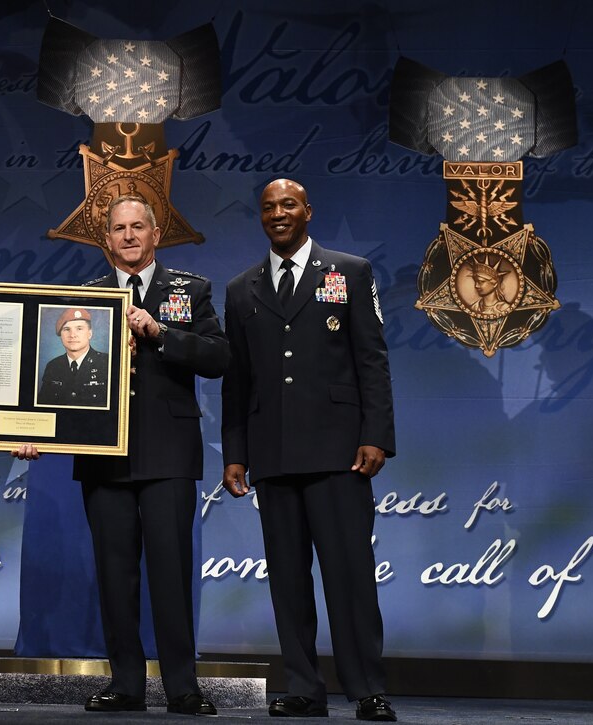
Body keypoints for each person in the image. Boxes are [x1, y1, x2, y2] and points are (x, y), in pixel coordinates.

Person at [220, 178, 397, 722]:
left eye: (288, 204)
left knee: (350, 575)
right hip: (272, 455)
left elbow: (372, 359)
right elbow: (237, 381)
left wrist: (376, 435)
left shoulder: (350, 272)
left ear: (308, 212)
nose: (278, 213)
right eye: (269, 207)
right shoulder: (241, 289)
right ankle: (302, 685)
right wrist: (235, 453)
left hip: (340, 451)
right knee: (288, 579)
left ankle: (366, 687)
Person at [76, 195, 229, 716]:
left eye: (137, 226)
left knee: (171, 573)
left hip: (168, 454)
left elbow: (218, 356)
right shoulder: (84, 299)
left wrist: (160, 333)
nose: (128, 236)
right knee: (115, 574)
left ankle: (183, 686)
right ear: (107, 238)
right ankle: (126, 685)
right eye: (118, 228)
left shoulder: (191, 290)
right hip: (105, 457)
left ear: (156, 233)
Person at [38, 307, 109, 407]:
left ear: (90, 333)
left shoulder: (107, 363)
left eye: (79, 329)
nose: (72, 335)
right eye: (66, 329)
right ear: (61, 335)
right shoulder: (53, 366)